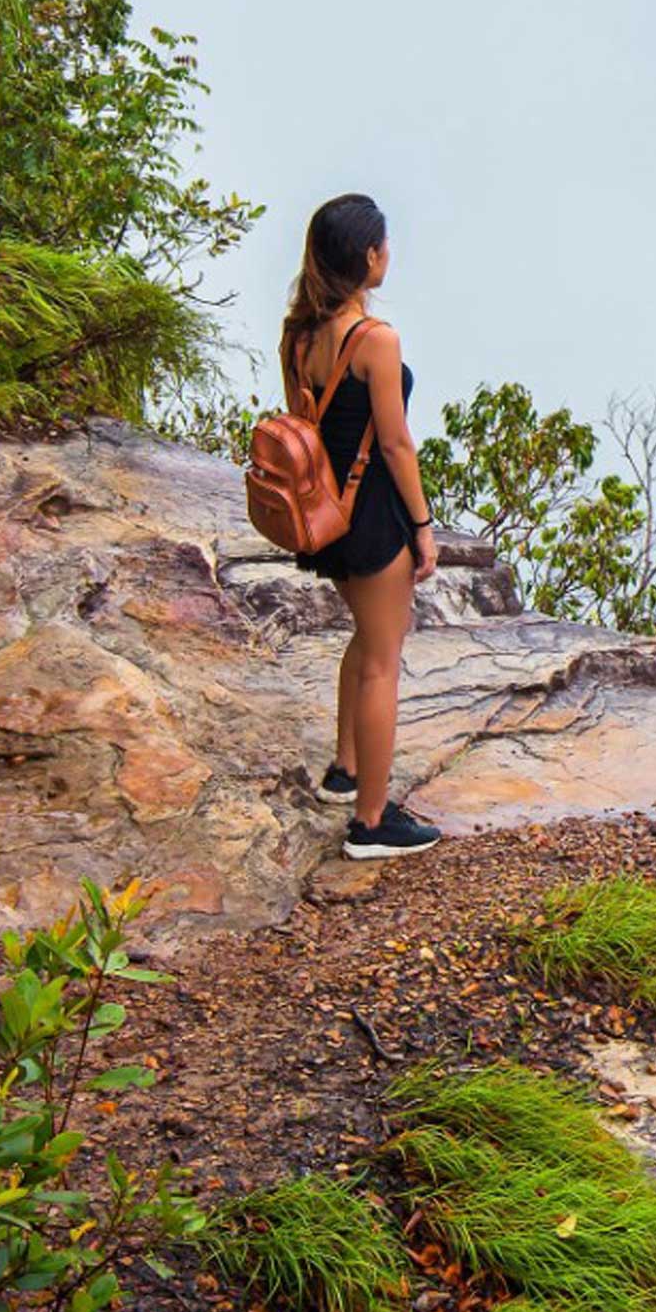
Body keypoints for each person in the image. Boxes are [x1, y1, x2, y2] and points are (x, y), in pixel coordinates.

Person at [279, 192, 444, 858]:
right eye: (384, 246)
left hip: (327, 513)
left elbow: (305, 425)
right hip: (374, 514)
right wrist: (423, 525)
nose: (388, 255)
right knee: (383, 661)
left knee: (365, 639)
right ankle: (372, 823)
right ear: (370, 257)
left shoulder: (298, 335)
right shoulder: (376, 340)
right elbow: (398, 447)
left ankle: (346, 770)